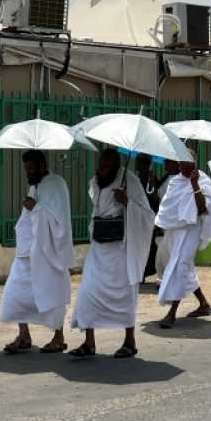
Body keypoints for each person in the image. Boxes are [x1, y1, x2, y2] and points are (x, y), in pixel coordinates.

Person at [70, 149, 154, 358]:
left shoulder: (130, 181)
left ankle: (129, 341)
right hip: (98, 248)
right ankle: (89, 343)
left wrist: (127, 202)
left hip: (121, 250)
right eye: (101, 165)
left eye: (108, 166)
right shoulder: (95, 182)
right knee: (87, 293)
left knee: (124, 296)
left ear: (117, 165)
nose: (103, 169)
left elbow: (147, 216)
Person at [0, 150, 74, 354]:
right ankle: (24, 335)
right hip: (27, 251)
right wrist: (33, 207)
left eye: (31, 168)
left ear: (42, 165)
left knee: (51, 293)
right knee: (15, 293)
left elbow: (60, 221)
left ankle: (59, 337)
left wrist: (37, 207)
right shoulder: (35, 185)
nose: (28, 172)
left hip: (48, 253)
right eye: (26, 169)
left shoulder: (56, 184)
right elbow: (30, 217)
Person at [156, 154, 211, 328]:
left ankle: (172, 313)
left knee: (181, 265)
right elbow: (168, 209)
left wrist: (195, 184)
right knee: (184, 268)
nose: (186, 166)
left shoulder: (203, 180)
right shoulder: (174, 182)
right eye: (183, 163)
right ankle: (204, 303)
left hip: (192, 230)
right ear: (179, 164)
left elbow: (202, 209)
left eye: (189, 163)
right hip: (175, 231)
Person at [155, 160, 181, 280]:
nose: (165, 165)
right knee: (163, 251)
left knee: (168, 251)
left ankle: (168, 278)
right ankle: (165, 277)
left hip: (173, 222)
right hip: (165, 221)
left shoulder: (178, 180)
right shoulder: (168, 178)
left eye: (168, 162)